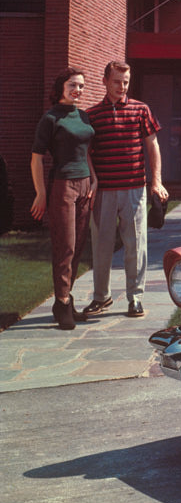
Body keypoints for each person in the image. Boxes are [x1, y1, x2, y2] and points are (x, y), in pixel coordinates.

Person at [83, 61, 169, 319]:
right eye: (117, 81)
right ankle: (101, 297)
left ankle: (135, 298)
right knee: (102, 245)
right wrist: (94, 180)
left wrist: (156, 181)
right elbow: (86, 153)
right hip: (104, 192)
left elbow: (153, 146)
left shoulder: (141, 110)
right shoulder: (91, 115)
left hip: (134, 188)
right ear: (105, 81)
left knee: (136, 245)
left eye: (126, 82)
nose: (122, 86)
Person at [30, 68, 96, 330]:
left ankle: (65, 303)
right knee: (65, 245)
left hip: (85, 185)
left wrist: (94, 179)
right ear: (61, 88)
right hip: (62, 185)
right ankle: (62, 299)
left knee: (79, 244)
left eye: (81, 86)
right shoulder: (50, 118)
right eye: (72, 85)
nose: (77, 90)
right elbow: (36, 158)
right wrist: (41, 193)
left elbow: (86, 152)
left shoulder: (83, 116)